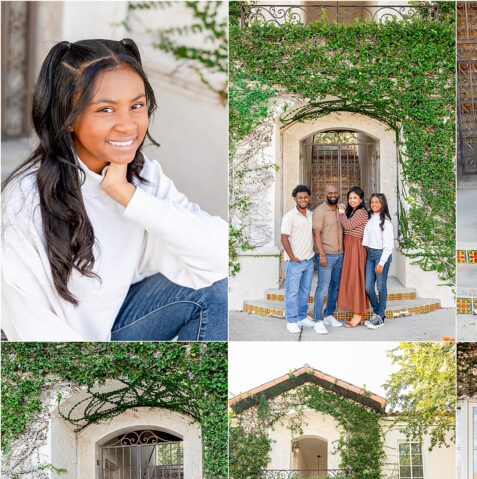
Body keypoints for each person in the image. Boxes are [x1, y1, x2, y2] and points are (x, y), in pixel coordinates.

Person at [1, 38, 227, 343]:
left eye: (137, 106)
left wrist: (127, 195)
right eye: (106, 109)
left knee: (217, 292)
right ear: (67, 117)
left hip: (116, 323)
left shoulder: (141, 176)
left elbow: (220, 257)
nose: (128, 125)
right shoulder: (24, 200)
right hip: (53, 351)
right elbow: (33, 328)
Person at [281, 184, 315, 334]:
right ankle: (291, 320)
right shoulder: (289, 216)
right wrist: (293, 257)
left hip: (309, 260)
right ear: (295, 198)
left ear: (309, 198)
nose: (303, 199)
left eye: (305, 197)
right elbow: (284, 238)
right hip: (294, 262)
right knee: (292, 292)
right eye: (300, 197)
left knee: (305, 291)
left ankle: (302, 316)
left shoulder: (311, 215)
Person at [312, 182, 345, 334]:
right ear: (325, 194)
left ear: (338, 193)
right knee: (322, 288)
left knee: (335, 286)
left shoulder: (340, 209)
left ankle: (329, 314)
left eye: (335, 193)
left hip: (340, 255)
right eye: (330, 193)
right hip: (326, 255)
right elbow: (316, 234)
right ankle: (318, 319)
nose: (333, 195)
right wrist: (322, 254)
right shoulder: (320, 211)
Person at [337, 186, 369, 328]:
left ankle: (359, 313)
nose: (352, 200)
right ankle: (357, 312)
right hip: (350, 247)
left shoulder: (361, 212)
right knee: (351, 279)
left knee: (357, 280)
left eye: (355, 197)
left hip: (356, 248)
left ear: (361, 199)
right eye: (350, 198)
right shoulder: (354, 211)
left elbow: (348, 226)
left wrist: (341, 212)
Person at [362, 192, 394, 329]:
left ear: (382, 204)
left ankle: (380, 315)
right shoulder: (369, 218)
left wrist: (381, 263)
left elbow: (389, 246)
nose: (374, 204)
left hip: (382, 255)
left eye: (377, 202)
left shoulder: (386, 222)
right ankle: (378, 313)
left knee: (380, 287)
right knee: (368, 287)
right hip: (370, 254)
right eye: (372, 202)